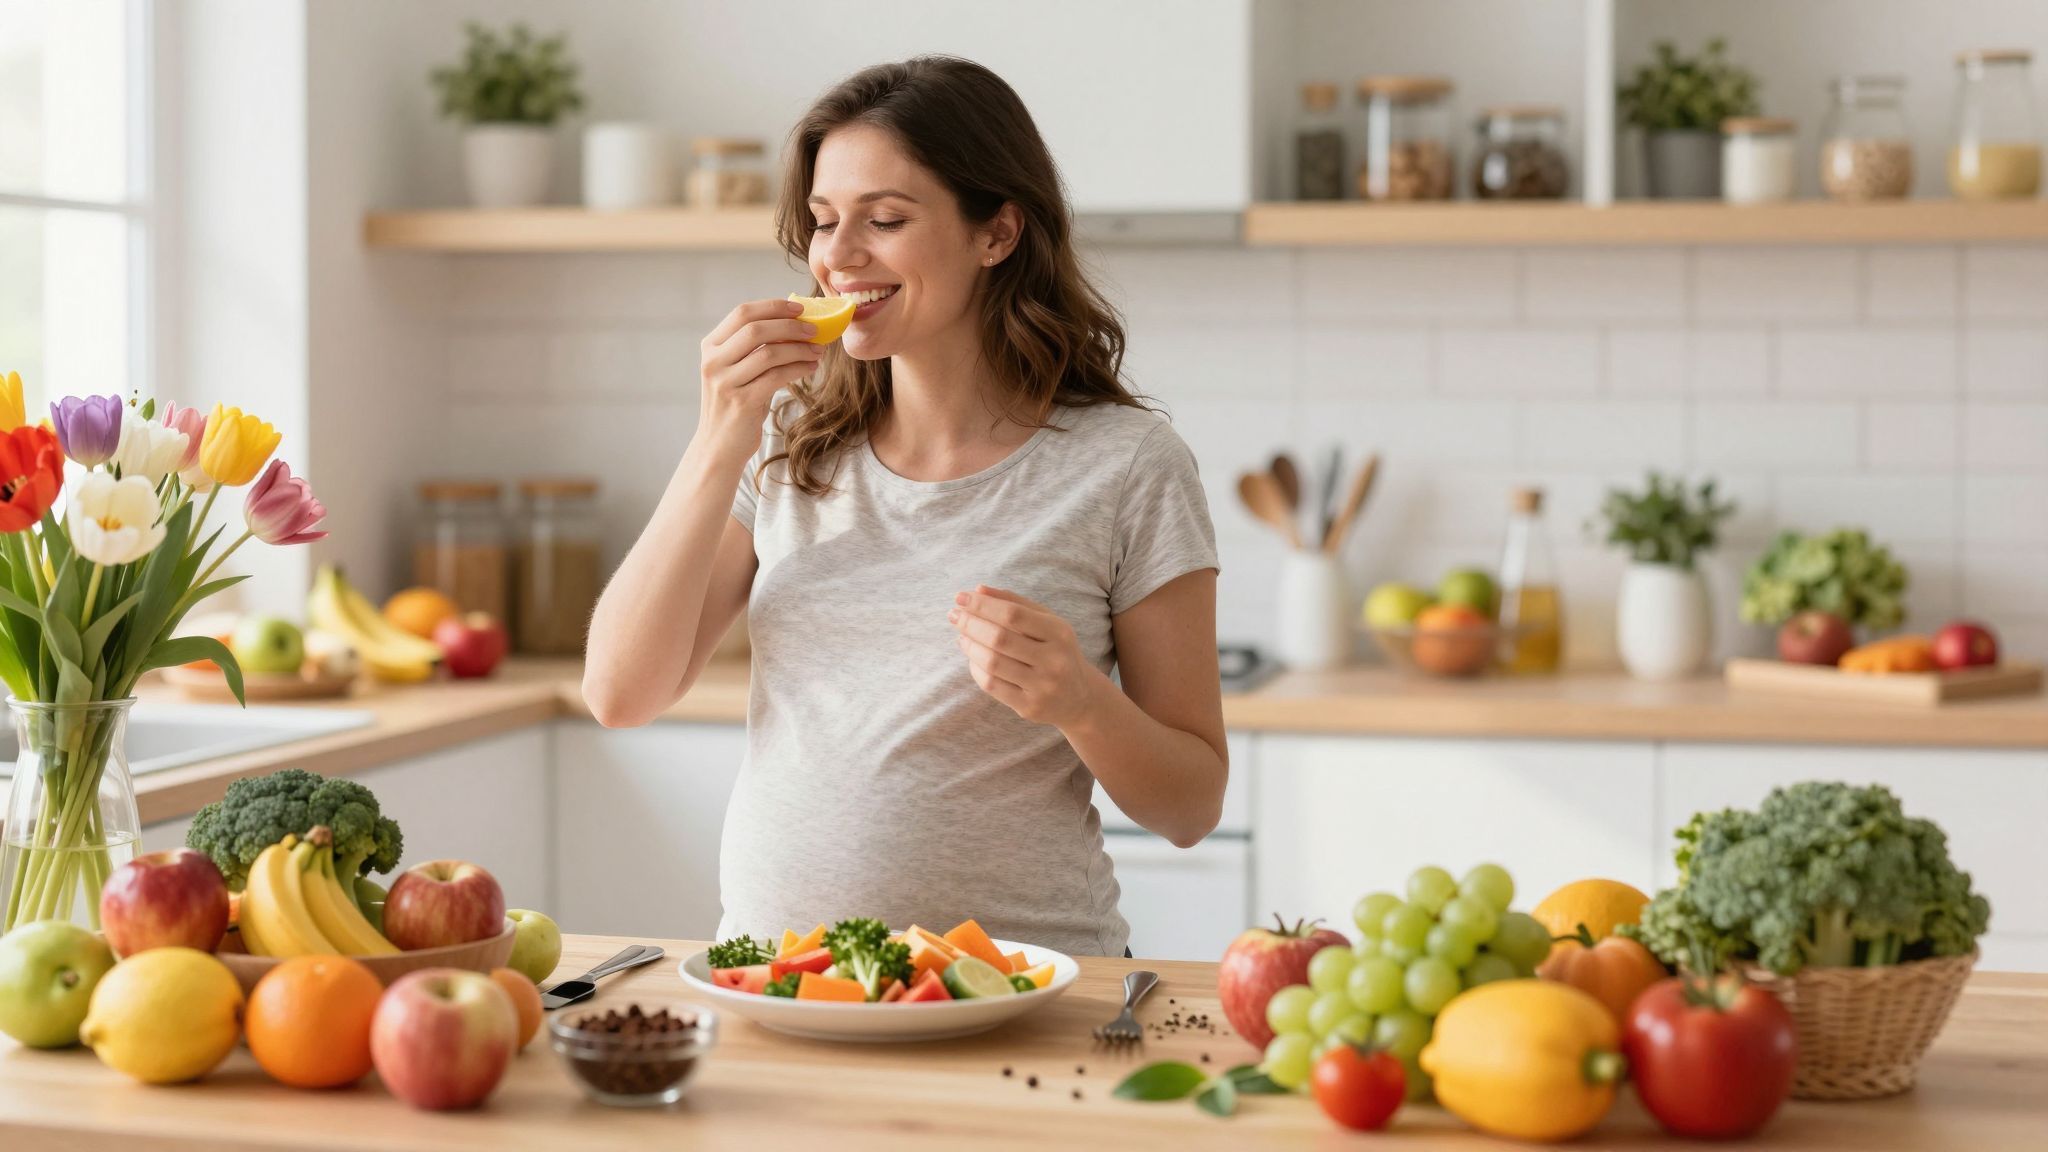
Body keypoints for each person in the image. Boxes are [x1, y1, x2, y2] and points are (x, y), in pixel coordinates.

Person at [583, 56, 1224, 958]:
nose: (839, 257)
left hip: (1016, 989)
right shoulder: (787, 445)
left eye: (884, 220)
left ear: (996, 232)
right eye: (823, 221)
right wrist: (719, 434)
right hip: (783, 981)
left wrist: (1082, 701)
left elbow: (1192, 807)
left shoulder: (1126, 465)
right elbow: (619, 694)